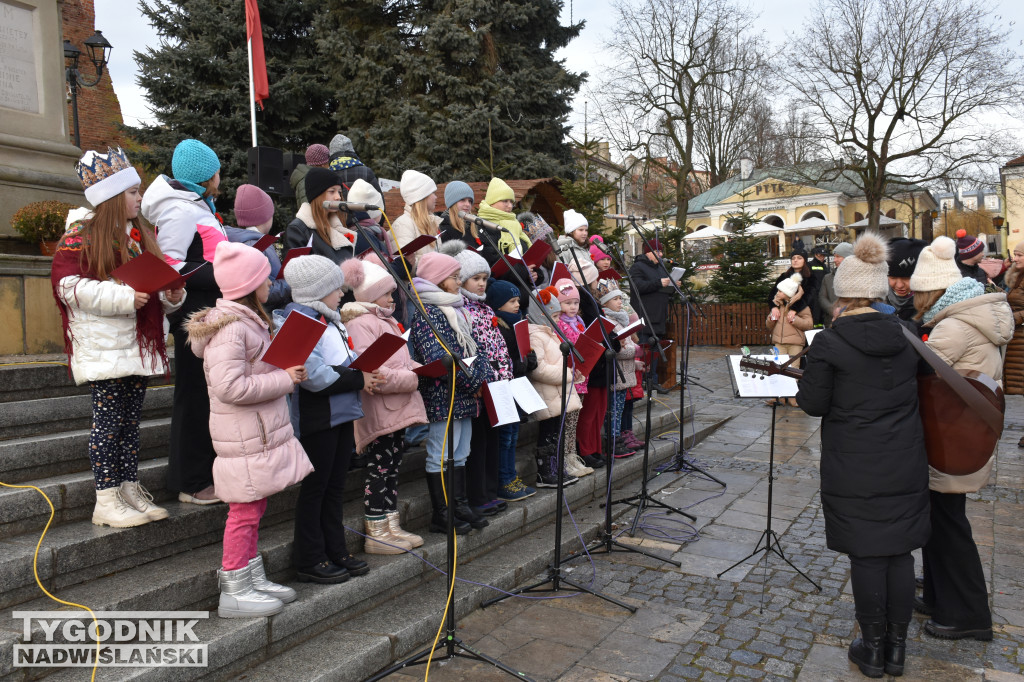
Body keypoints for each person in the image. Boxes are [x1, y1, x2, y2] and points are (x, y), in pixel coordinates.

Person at [796, 232, 930, 679]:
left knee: (868, 555)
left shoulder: (830, 343)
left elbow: (813, 404)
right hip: (904, 458)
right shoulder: (909, 334)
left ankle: (872, 649)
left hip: (853, 463)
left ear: (842, 295)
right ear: (880, 289)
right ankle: (897, 650)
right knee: (900, 551)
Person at [52, 147, 184, 527]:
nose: (140, 198)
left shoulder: (138, 236)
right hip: (106, 347)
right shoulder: (80, 236)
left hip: (135, 346)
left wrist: (172, 295)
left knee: (128, 424)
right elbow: (68, 287)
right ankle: (105, 499)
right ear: (111, 197)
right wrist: (125, 297)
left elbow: (151, 287)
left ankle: (128, 488)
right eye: (132, 192)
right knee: (108, 426)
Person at [185, 241, 313, 618]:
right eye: (265, 276)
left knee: (253, 506)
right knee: (244, 511)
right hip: (243, 434)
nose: (271, 281)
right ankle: (235, 587)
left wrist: (282, 371)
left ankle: (250, 577)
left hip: (253, 432)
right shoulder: (230, 330)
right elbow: (230, 387)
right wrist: (284, 381)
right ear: (249, 284)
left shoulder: (245, 321)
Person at [909, 235, 1013, 643]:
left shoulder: (952, 326)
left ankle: (969, 615)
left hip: (952, 436)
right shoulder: (972, 315)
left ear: (932, 291)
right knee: (942, 522)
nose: (915, 302)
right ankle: (940, 597)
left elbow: (916, 372)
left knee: (949, 527)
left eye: (919, 294)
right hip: (962, 432)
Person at [277, 255, 384, 583]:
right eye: (336, 288)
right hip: (317, 417)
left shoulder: (330, 319)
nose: (342, 293)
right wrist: (358, 377)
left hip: (341, 414)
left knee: (334, 487)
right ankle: (309, 558)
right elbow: (314, 375)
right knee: (316, 488)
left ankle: (334, 549)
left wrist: (364, 365)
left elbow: (343, 356)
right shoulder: (299, 320)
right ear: (317, 290)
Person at [141, 138, 227, 505]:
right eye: (217, 170)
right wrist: (220, 271)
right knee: (193, 396)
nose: (221, 176)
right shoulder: (180, 210)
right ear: (206, 176)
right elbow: (170, 266)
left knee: (208, 396)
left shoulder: (198, 205)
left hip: (211, 311)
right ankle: (189, 481)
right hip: (193, 315)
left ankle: (205, 472)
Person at [341, 257, 427, 553]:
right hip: (381, 411)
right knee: (380, 468)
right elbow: (372, 371)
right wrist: (413, 378)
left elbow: (400, 361)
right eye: (387, 293)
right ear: (368, 295)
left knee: (392, 465)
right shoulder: (361, 323)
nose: (392, 298)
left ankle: (391, 525)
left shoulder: (385, 320)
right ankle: (376, 529)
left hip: (397, 408)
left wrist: (422, 369)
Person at [409, 251, 491, 533]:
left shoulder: (456, 309)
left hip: (465, 393)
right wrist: (474, 382)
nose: (458, 282)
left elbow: (475, 349)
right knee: (440, 452)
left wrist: (480, 378)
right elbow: (441, 357)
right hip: (442, 395)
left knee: (461, 450)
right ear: (438, 280)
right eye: (454, 277)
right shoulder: (426, 313)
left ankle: (459, 503)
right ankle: (442, 512)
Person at [441, 241, 514, 520]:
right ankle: (477, 495)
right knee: (477, 442)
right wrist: (482, 378)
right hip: (478, 384)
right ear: (461, 281)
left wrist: (505, 374)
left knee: (493, 439)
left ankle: (490, 491)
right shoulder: (464, 310)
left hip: (497, 383)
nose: (482, 284)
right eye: (476, 279)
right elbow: (472, 349)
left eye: (485, 279)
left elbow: (498, 345)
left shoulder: (485, 309)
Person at [486, 278, 539, 501]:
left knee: (513, 435)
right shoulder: (499, 326)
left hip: (517, 387)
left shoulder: (518, 324)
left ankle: (511, 477)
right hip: (504, 389)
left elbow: (524, 357)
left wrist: (530, 359)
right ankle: (504, 480)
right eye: (512, 301)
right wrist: (524, 362)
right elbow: (507, 361)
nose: (517, 305)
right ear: (498, 304)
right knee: (505, 437)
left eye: (518, 300)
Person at [528, 286, 583, 488]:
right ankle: (545, 471)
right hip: (546, 393)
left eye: (559, 315)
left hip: (557, 394)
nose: (558, 320)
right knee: (547, 433)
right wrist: (566, 373)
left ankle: (556, 467)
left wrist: (572, 371)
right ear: (540, 314)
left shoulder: (550, 333)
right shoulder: (535, 335)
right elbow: (538, 368)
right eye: (554, 315)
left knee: (555, 432)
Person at [555, 278, 598, 477]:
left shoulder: (579, 322)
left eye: (575, 303)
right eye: (567, 303)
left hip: (583, 378)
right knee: (568, 422)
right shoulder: (560, 324)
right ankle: (565, 459)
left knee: (574, 421)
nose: (572, 307)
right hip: (570, 378)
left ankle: (572, 457)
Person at [226, 184, 290, 314]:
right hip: (265, 315)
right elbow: (262, 291)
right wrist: (292, 283)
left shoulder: (239, 240)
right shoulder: (254, 246)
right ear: (265, 216)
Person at [598, 279, 639, 457]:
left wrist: (636, 362)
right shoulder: (609, 321)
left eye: (621, 299)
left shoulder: (621, 319)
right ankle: (612, 440)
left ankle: (618, 439)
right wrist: (635, 350)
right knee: (613, 411)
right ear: (605, 303)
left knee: (620, 408)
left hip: (626, 372)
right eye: (616, 299)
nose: (620, 302)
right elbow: (619, 349)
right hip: (617, 373)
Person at [284, 168, 355, 265]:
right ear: (317, 195)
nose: (338, 197)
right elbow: (296, 272)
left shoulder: (336, 226)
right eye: (332, 191)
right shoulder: (298, 229)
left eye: (339, 191)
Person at [629, 238, 673, 393]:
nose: (660, 254)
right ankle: (640, 381)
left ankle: (652, 380)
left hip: (659, 315)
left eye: (661, 251)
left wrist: (672, 285)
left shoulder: (660, 267)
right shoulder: (637, 267)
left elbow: (660, 287)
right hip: (645, 315)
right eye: (657, 251)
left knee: (654, 351)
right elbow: (638, 286)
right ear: (648, 252)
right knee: (643, 349)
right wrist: (659, 283)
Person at [766, 273, 813, 408]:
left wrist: (795, 320)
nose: (777, 292)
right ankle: (778, 397)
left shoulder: (801, 307)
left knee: (793, 370)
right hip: (779, 343)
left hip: (795, 343)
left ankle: (793, 397)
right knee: (777, 369)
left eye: (780, 290)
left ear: (787, 293)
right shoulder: (776, 304)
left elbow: (809, 324)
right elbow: (768, 326)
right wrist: (771, 319)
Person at [390, 170, 442, 267]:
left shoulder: (431, 222)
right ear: (422, 196)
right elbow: (406, 265)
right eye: (433, 193)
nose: (436, 197)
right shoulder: (403, 224)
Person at [477, 177, 532, 259]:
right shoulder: (482, 225)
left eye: (511, 202)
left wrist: (534, 270)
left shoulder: (515, 224)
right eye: (505, 201)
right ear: (492, 201)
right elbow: (492, 260)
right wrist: (525, 269)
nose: (510, 206)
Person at [1002, 241, 1024, 404]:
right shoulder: (1019, 277)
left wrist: (1013, 318)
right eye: (1015, 254)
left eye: (1019, 255)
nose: (1015, 259)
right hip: (1017, 339)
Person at [885, 238, 927, 322]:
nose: (899, 285)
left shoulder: (929, 305)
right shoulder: (876, 301)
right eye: (893, 277)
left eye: (906, 278)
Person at [817, 242, 853, 328]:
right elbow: (822, 298)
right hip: (832, 322)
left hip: (852, 320)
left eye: (838, 256)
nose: (834, 260)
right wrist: (832, 310)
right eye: (834, 256)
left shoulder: (858, 277)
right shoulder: (828, 278)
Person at [290, 143, 329, 210]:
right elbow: (309, 208)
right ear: (322, 164)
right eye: (327, 162)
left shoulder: (309, 177)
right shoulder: (307, 180)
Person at [808, 246, 830, 323]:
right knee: (816, 317)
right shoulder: (810, 265)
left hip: (824, 296)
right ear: (816, 255)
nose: (822, 257)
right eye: (820, 255)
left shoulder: (825, 266)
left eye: (823, 255)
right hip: (815, 297)